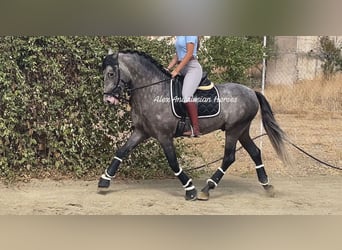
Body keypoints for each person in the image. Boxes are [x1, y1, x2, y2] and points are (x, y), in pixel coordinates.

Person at [166, 36, 203, 137]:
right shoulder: (179, 36)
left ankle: (195, 129)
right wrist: (167, 68)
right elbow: (178, 55)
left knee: (186, 95)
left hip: (192, 68)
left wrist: (177, 70)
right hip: (182, 68)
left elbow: (189, 54)